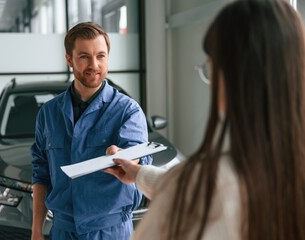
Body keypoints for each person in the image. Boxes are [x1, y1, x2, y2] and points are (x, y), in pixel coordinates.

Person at [104, 0, 305, 239]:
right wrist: (138, 173)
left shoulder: (203, 186)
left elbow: (191, 191)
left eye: (210, 67)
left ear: (231, 77)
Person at [30, 22, 152, 240]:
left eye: (101, 56)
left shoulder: (127, 111)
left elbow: (140, 159)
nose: (94, 64)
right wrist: (36, 230)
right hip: (63, 230)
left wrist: (125, 159)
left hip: (110, 231)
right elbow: (41, 173)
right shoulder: (48, 114)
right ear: (69, 59)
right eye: (84, 56)